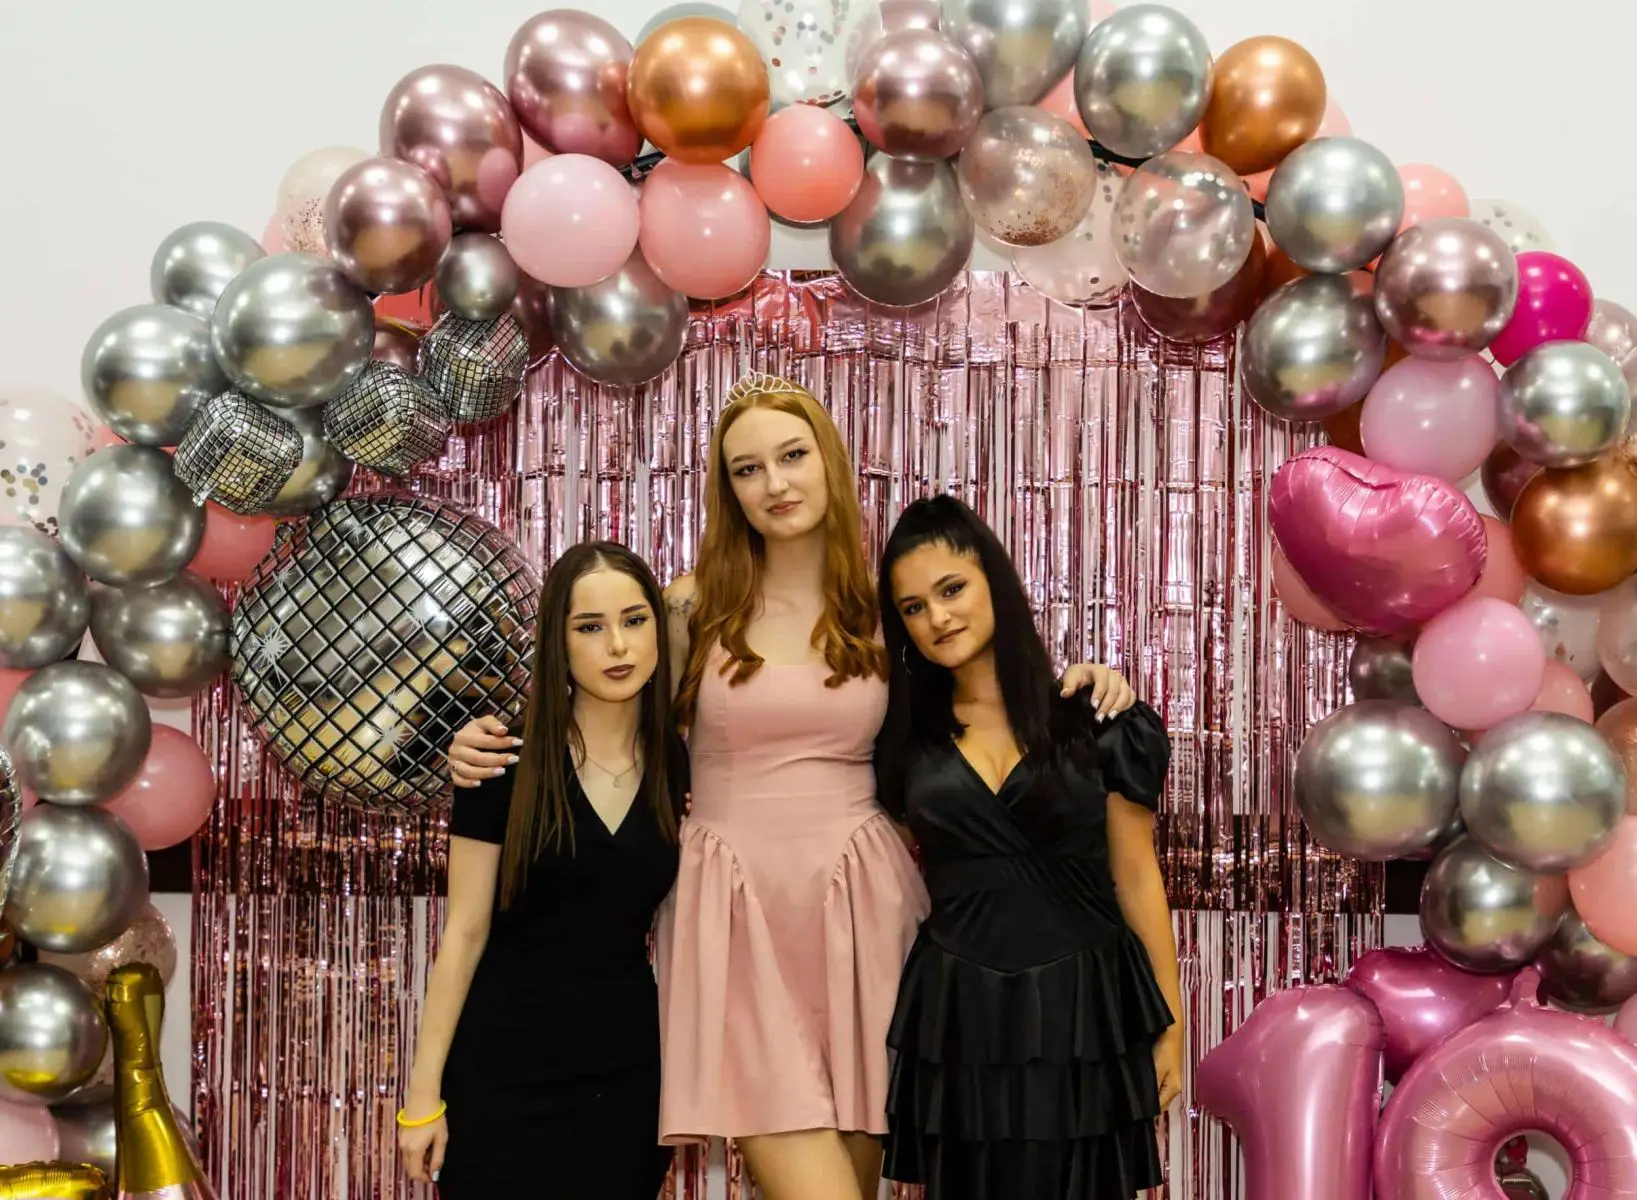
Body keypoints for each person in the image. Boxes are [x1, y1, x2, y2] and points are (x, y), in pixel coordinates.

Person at [446, 371, 1136, 1200]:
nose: (774, 482)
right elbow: (602, 703)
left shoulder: (882, 610)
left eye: (791, 456)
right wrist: (492, 742)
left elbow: (976, 693)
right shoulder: (690, 608)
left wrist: (1085, 686)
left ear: (828, 462)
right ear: (727, 490)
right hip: (735, 912)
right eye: (747, 468)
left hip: (864, 912)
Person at [874, 496, 1183, 1200]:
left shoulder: (1097, 719)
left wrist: (1169, 1025)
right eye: (913, 607)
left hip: (1084, 1011)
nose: (937, 617)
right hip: (960, 1016)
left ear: (995, 581)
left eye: (951, 589)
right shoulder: (898, 740)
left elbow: (1138, 877)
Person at [399, 542, 686, 1196]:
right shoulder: (499, 760)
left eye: (634, 620)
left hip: (628, 1077)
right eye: (590, 627)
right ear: (558, 641)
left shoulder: (680, 768)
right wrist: (422, 1097)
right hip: (501, 1071)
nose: (617, 645)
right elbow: (463, 933)